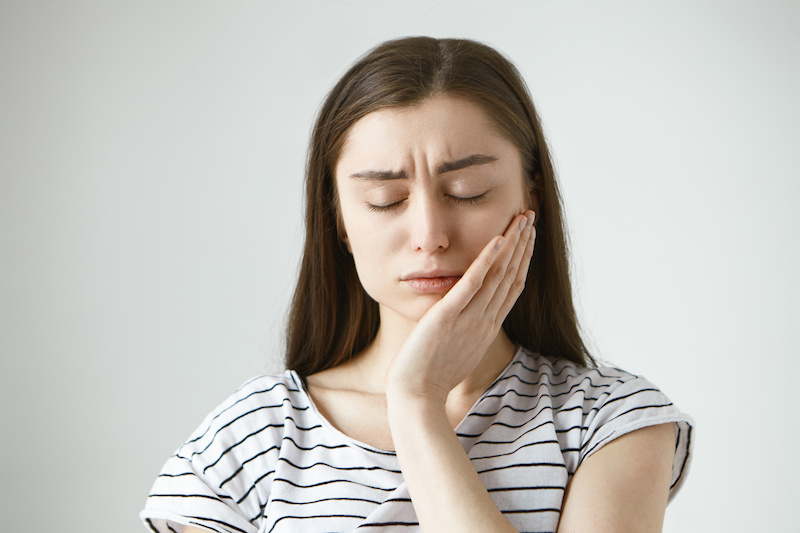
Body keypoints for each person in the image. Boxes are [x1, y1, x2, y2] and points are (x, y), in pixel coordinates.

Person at [141, 37, 693, 533]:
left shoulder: (613, 420)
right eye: (386, 200)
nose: (429, 236)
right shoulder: (252, 438)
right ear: (339, 221)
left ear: (531, 199)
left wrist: (417, 405)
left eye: (469, 191)